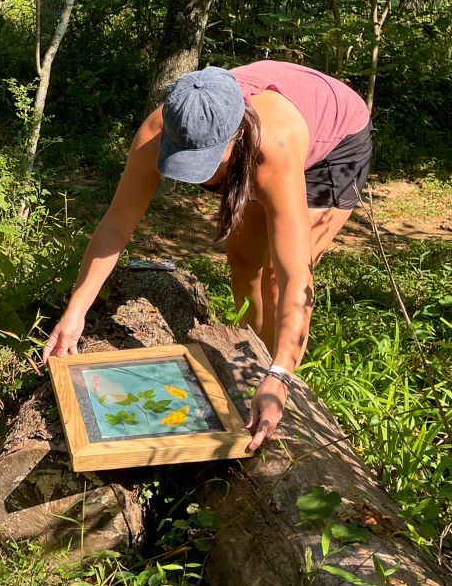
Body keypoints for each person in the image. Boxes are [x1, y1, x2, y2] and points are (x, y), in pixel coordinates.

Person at [42, 60, 372, 451]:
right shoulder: (157, 130)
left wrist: (280, 375)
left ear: (236, 138)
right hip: (264, 135)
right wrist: (75, 311)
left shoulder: (274, 149)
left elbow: (295, 278)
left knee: (272, 277)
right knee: (243, 261)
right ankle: (250, 360)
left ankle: (273, 377)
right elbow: (116, 225)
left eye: (205, 163)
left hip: (335, 144)